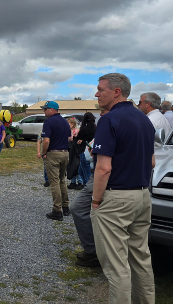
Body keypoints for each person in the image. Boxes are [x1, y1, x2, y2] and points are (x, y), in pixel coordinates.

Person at [91, 73, 155, 304]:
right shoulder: (143, 119)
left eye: (100, 89)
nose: (96, 94)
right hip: (142, 195)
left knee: (116, 267)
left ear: (116, 91)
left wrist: (96, 201)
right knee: (141, 259)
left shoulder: (109, 119)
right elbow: (152, 162)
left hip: (116, 198)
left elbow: (103, 168)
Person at [70, 109, 109, 268]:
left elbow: (101, 164)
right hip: (121, 180)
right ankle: (97, 251)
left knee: (80, 208)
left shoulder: (107, 124)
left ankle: (94, 253)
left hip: (102, 174)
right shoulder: (141, 122)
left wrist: (96, 198)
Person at [41, 101, 71, 221]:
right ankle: (66, 207)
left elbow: (46, 141)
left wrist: (44, 153)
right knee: (62, 180)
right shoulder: (65, 121)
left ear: (52, 110)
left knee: (54, 183)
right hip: (65, 153)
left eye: (45, 109)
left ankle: (57, 211)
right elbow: (69, 138)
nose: (44, 111)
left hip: (53, 153)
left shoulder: (49, 122)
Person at [73, 112, 96, 187]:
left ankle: (88, 188)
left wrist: (79, 140)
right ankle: (86, 186)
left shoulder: (84, 129)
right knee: (81, 170)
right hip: (91, 150)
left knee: (86, 172)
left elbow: (78, 138)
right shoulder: (95, 128)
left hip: (84, 150)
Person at [66, 118, 83, 190]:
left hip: (75, 151)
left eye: (68, 124)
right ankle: (73, 182)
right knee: (71, 166)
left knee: (76, 166)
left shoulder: (76, 131)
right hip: (70, 151)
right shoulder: (68, 131)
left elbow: (73, 139)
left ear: (72, 124)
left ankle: (80, 182)